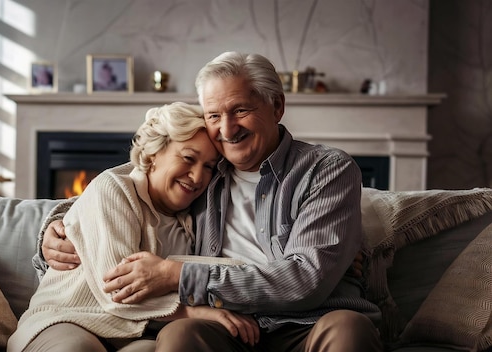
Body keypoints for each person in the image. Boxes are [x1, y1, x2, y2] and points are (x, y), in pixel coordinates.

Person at [38, 52, 383, 351]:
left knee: (348, 330)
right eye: (214, 116)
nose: (227, 129)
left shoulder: (327, 169)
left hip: (309, 323)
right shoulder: (208, 168)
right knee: (181, 334)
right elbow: (136, 177)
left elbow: (305, 280)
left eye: (241, 110)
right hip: (226, 323)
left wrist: (179, 275)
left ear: (277, 105)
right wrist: (59, 224)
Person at [8, 102, 260, 352]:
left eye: (208, 166)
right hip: (68, 318)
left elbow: (236, 267)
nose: (197, 176)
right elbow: (117, 290)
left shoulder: (196, 213)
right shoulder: (115, 188)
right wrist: (193, 311)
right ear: (152, 155)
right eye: (187, 158)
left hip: (136, 332)